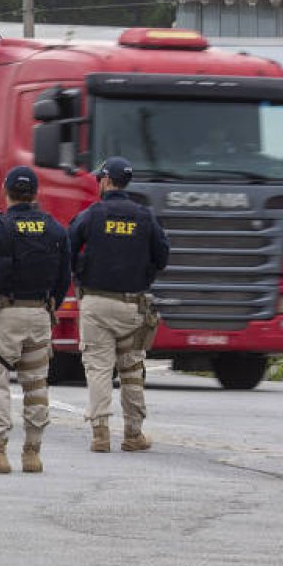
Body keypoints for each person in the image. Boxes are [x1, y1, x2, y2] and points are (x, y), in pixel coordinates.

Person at [0, 166, 69, 474]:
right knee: (36, 385)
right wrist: (50, 307)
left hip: (4, 315)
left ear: (5, 191)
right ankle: (32, 453)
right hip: (40, 315)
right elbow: (63, 278)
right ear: (36, 194)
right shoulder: (55, 230)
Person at [69, 156, 170, 454]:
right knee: (132, 370)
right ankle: (133, 434)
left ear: (107, 181)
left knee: (99, 369)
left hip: (96, 304)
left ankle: (100, 435)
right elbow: (162, 256)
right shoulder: (145, 216)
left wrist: (78, 272)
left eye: (100, 178)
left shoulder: (92, 214)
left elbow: (67, 247)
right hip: (133, 306)